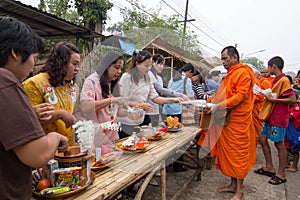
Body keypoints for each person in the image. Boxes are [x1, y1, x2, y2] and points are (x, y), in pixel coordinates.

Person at [0, 16, 68, 200]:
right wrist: (55, 137)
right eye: (34, 58)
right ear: (15, 53)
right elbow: (37, 155)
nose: (32, 67)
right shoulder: (7, 81)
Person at [206, 46, 256, 200]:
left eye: (225, 59)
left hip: (238, 122)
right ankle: (233, 185)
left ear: (235, 57)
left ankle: (239, 192)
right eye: (222, 59)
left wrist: (218, 106)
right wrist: (210, 101)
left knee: (238, 155)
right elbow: (223, 94)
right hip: (227, 120)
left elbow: (240, 96)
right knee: (230, 155)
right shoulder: (229, 75)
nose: (223, 62)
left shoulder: (243, 73)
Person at [23, 42, 80, 146]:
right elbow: (26, 122)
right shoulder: (35, 84)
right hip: (42, 150)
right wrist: (59, 114)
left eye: (78, 65)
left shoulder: (73, 88)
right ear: (61, 62)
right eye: (74, 64)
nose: (77, 69)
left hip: (68, 149)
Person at [118, 50, 181, 138]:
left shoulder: (147, 78)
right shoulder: (127, 77)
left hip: (140, 120)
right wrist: (140, 105)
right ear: (137, 64)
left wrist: (172, 100)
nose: (148, 68)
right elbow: (121, 100)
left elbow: (155, 98)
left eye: (150, 65)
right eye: (145, 65)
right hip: (126, 121)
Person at [255, 56, 296, 185]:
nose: (267, 69)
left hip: (278, 117)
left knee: (279, 144)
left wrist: (273, 100)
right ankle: (269, 167)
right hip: (270, 116)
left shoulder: (284, 80)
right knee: (261, 138)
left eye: (269, 67)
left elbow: (292, 100)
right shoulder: (275, 80)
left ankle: (281, 174)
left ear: (274, 66)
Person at [80, 51, 126, 144]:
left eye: (121, 69)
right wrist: (111, 100)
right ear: (106, 65)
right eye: (116, 68)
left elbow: (117, 111)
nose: (119, 72)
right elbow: (85, 106)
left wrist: (131, 112)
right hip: (96, 140)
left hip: (113, 138)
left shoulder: (116, 85)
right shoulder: (92, 81)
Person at [147, 54, 189, 126]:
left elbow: (162, 93)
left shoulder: (159, 78)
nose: (162, 67)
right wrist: (179, 95)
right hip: (147, 111)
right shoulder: (149, 74)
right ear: (153, 62)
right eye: (160, 64)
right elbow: (160, 89)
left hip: (155, 110)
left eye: (163, 64)